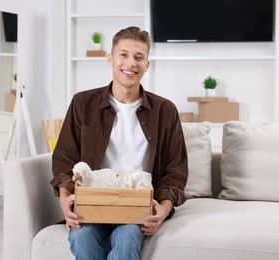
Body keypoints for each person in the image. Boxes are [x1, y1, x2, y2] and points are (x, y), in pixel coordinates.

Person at [51, 26, 188, 260]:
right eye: (123, 54)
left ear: (147, 64)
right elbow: (65, 159)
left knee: (128, 237)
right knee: (81, 238)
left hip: (136, 208)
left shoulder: (165, 111)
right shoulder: (83, 103)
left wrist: (162, 211)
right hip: (92, 204)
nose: (130, 63)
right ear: (110, 58)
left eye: (139, 57)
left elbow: (175, 171)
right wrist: (65, 201)